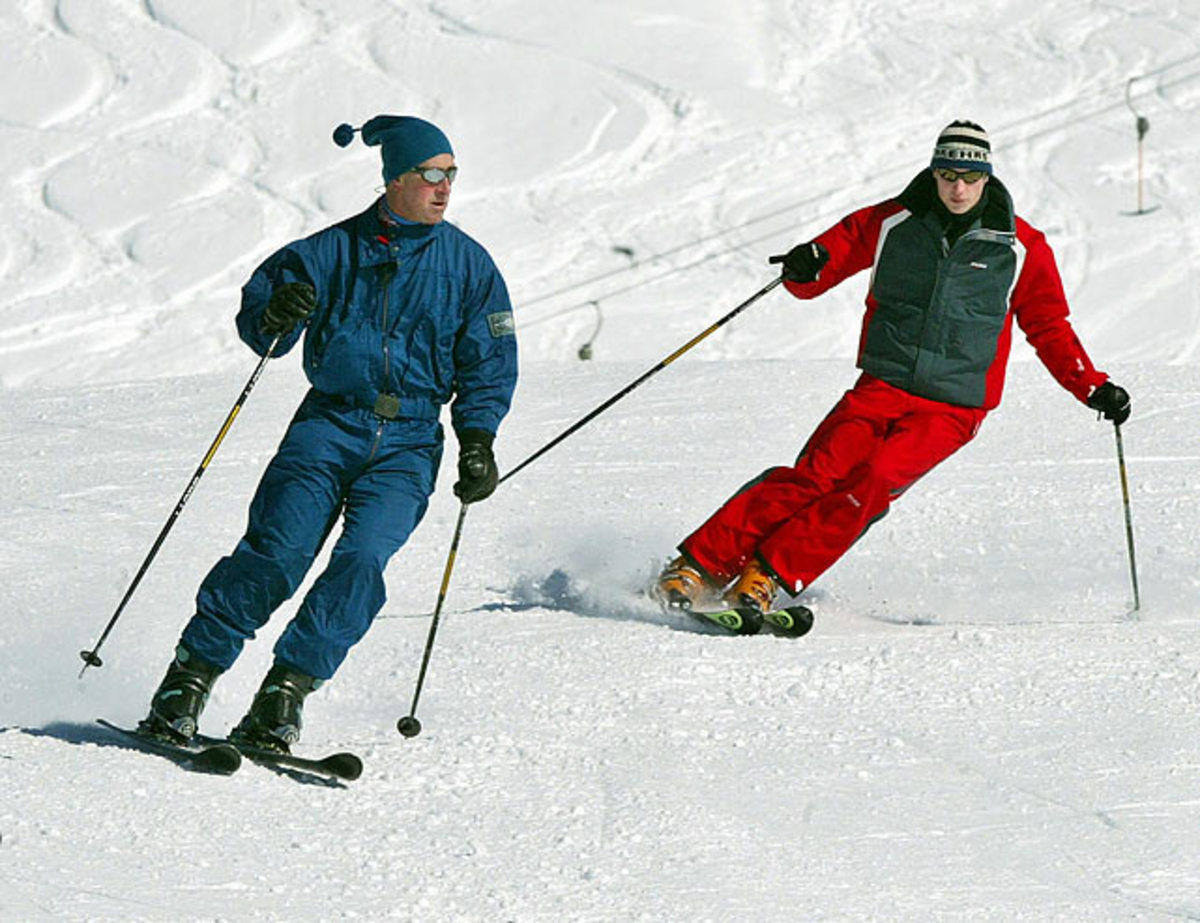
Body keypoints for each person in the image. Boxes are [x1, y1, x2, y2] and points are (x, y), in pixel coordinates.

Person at [139, 114, 518, 751]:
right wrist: (274, 313)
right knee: (276, 553)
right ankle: (188, 679)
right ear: (394, 178)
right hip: (328, 425)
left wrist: (478, 439)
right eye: (431, 173)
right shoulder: (329, 251)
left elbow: (490, 360)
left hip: (411, 441)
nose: (444, 187)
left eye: (451, 174)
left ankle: (283, 696)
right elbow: (264, 324)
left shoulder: (470, 266)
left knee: (363, 561)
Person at [653, 120, 1130, 619]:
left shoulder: (1019, 246)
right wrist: (808, 261)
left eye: (969, 177)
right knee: (815, 476)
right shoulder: (894, 221)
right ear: (934, 172)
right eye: (947, 174)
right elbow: (822, 266)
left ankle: (766, 575)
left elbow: (1048, 324)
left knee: (872, 483)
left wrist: (1091, 386)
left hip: (953, 407)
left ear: (987, 177)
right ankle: (697, 565)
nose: (958, 188)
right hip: (882, 384)